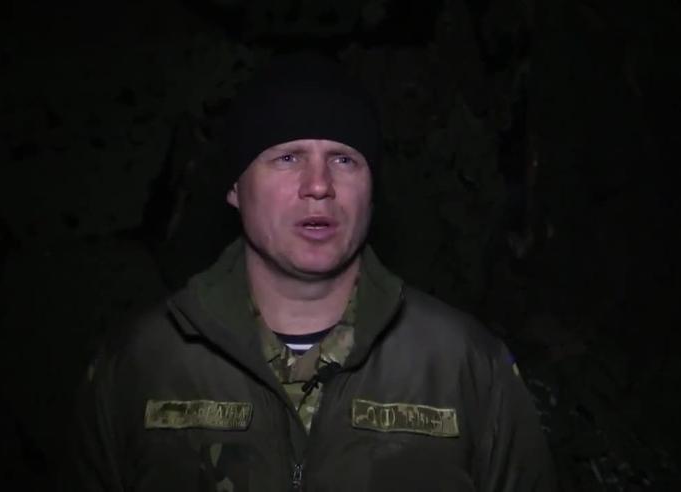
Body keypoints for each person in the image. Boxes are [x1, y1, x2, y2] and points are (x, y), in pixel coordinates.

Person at [59, 51, 557, 491]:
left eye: (344, 159)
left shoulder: (465, 366)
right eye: (287, 157)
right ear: (235, 187)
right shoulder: (140, 364)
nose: (318, 185)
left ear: (372, 190)